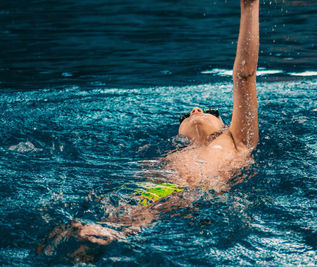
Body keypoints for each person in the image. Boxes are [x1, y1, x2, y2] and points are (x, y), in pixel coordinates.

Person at [37, 0, 259, 262]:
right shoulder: (168, 157)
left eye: (210, 110)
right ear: (180, 134)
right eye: (186, 115)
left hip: (207, 198)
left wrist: (249, 7)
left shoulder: (239, 140)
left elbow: (245, 76)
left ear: (226, 124)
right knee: (107, 223)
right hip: (168, 193)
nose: (195, 110)